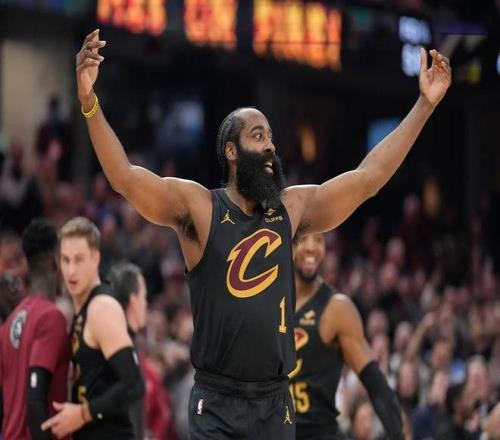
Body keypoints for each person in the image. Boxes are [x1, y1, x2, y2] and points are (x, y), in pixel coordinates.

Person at [75, 28, 451, 439]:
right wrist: (89, 102)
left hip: (275, 404)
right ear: (231, 152)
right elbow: (125, 177)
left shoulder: (290, 209)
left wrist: (424, 106)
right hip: (216, 402)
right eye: (258, 136)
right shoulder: (201, 208)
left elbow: (368, 179)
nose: (271, 146)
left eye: (271, 137)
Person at [290, 233, 404, 439]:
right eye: (303, 239)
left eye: (318, 240)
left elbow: (376, 385)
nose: (311, 247)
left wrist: (398, 435)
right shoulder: (265, 301)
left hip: (318, 433)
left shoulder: (337, 308)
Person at [41, 217, 144, 439]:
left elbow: (134, 384)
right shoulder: (84, 307)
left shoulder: (102, 307)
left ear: (95, 258)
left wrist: (82, 414)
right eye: (65, 260)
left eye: (79, 260)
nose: (70, 270)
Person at [0, 219, 69, 439]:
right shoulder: (51, 318)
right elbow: (35, 399)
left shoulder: (10, 322)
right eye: (64, 258)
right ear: (53, 260)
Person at [107, 261, 177, 440]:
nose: (146, 304)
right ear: (133, 300)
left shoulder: (126, 344)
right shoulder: (120, 350)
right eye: (144, 297)